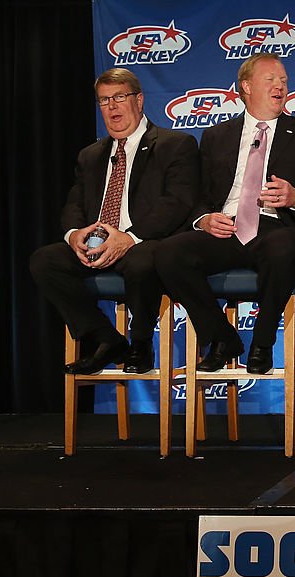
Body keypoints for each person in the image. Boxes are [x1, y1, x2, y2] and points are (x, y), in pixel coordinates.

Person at [155, 54, 295, 374]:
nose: (280, 85)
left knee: (282, 248)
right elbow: (198, 197)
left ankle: (262, 343)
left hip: (278, 229)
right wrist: (204, 219)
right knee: (167, 253)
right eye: (271, 79)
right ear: (246, 86)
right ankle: (222, 338)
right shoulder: (216, 136)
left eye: (284, 81)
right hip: (228, 228)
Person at [30, 68, 199, 375]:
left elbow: (177, 203)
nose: (112, 107)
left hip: (143, 241)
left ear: (139, 100)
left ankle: (141, 343)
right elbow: (74, 203)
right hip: (97, 240)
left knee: (143, 262)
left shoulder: (175, 144)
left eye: (119, 97)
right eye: (104, 100)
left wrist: (129, 238)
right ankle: (106, 339)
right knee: (44, 261)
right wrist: (74, 234)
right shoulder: (90, 155)